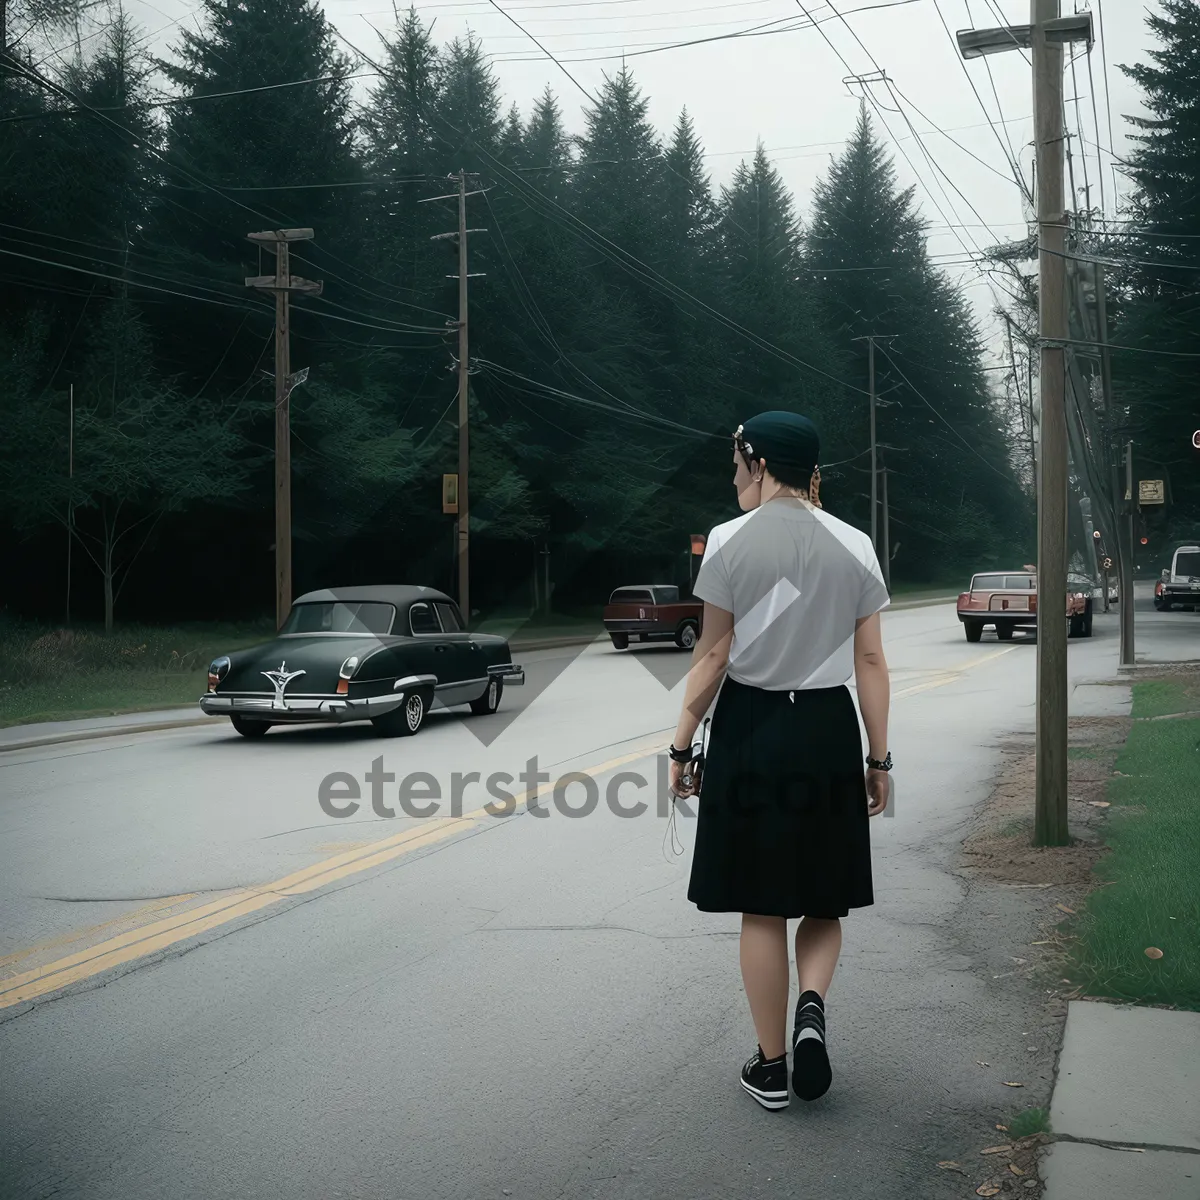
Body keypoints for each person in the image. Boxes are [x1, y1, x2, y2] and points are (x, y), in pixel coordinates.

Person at [668, 410, 892, 1111]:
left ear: (760, 464)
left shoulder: (731, 542)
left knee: (762, 908)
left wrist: (681, 742)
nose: (734, 475)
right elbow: (870, 660)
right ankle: (812, 1009)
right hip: (826, 726)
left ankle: (770, 1068)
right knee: (824, 898)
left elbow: (713, 656)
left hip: (751, 729)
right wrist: (878, 759)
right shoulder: (854, 543)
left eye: (738, 463)